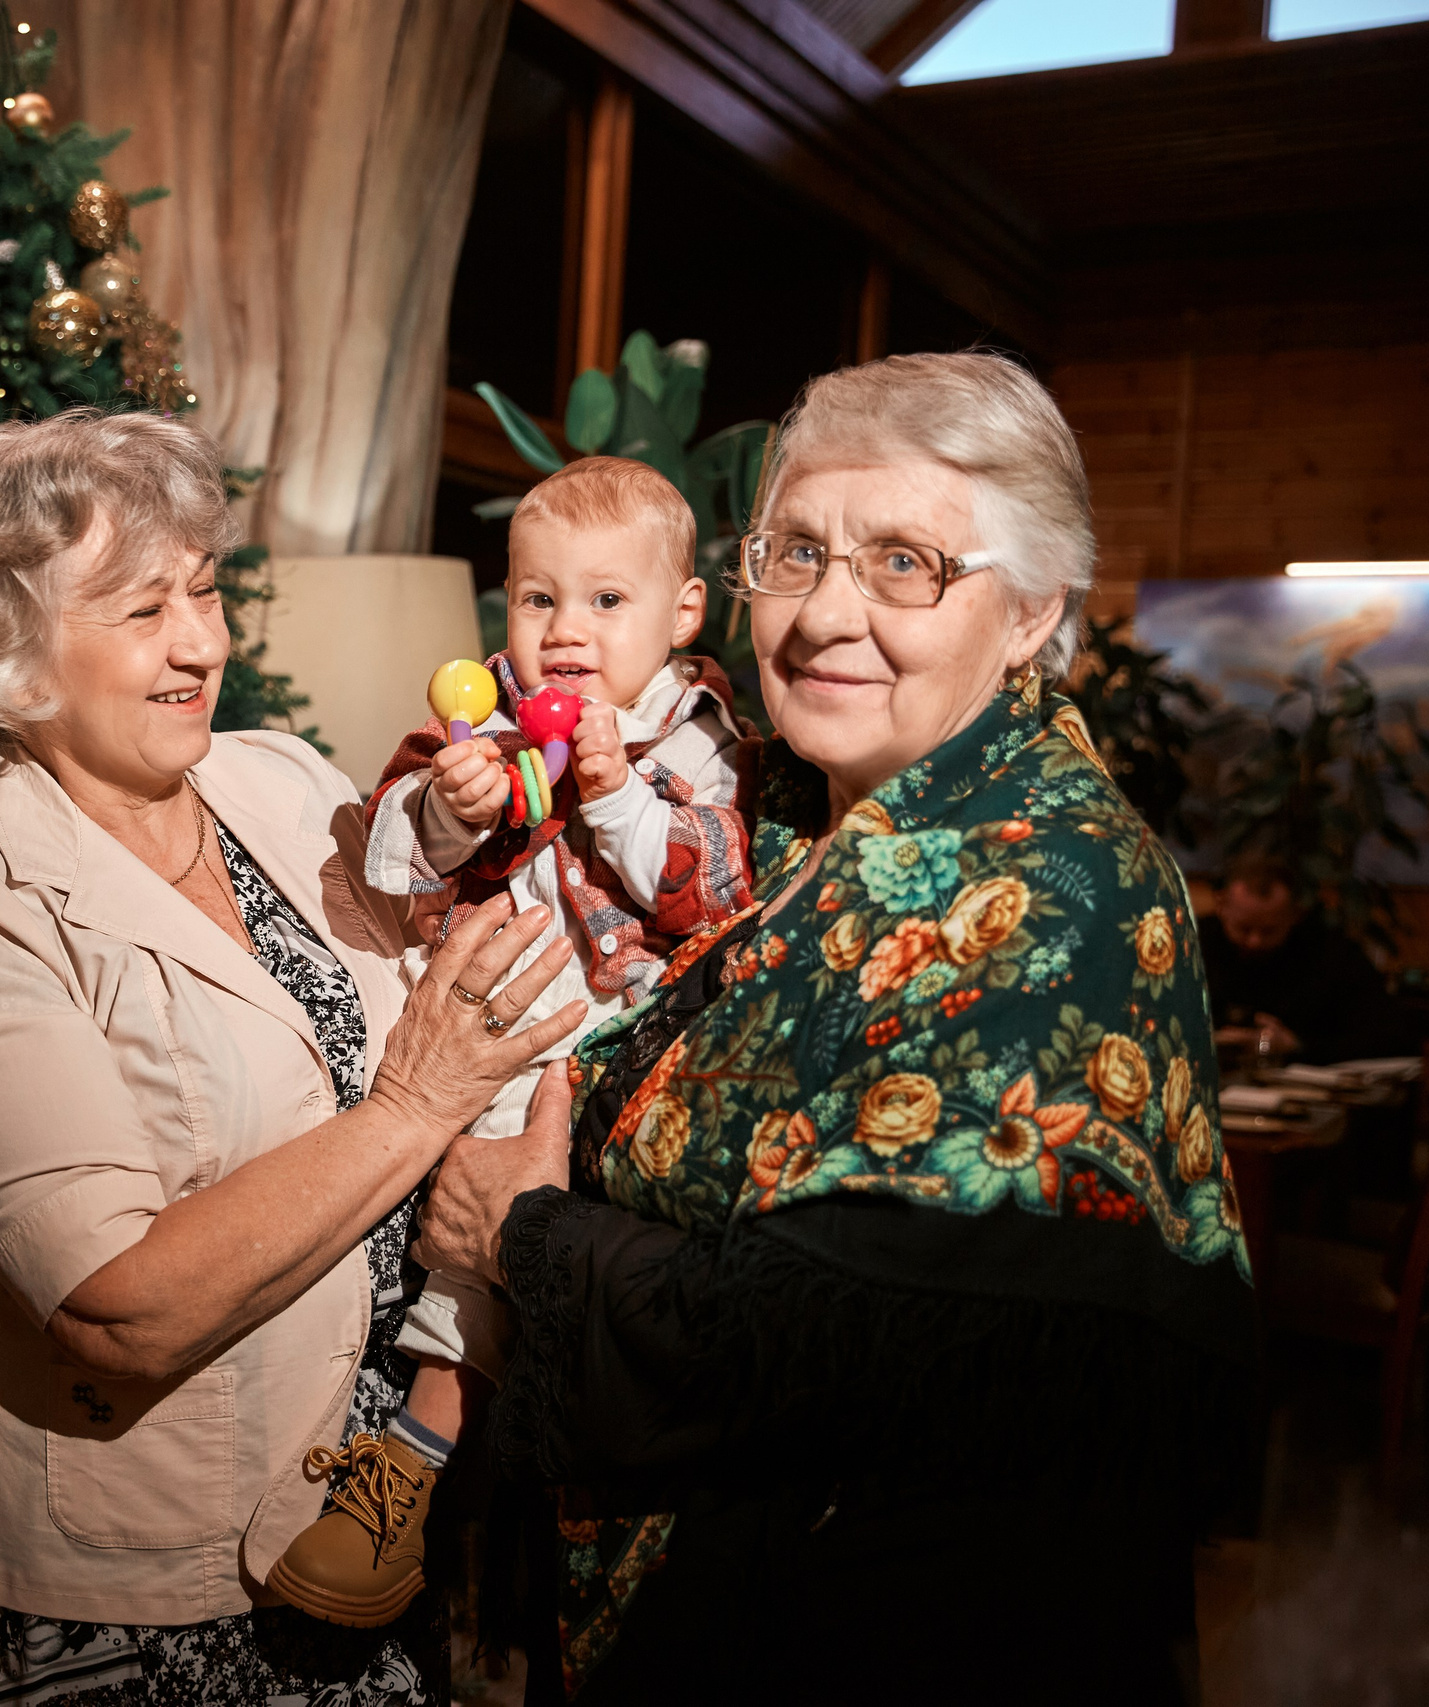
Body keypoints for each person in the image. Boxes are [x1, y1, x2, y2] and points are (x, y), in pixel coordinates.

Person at [412, 352, 1257, 1703]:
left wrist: (515, 1234)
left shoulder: (1045, 880)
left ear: (1034, 609)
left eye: (907, 563)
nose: (821, 617)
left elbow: (853, 1331)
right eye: (796, 551)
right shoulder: (793, 813)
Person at [0, 406, 589, 1703]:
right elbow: (112, 1309)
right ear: (12, 653)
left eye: (203, 589)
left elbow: (454, 953)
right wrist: (419, 1106)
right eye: (143, 611)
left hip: (366, 1519)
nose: (203, 641)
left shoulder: (283, 780)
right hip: (131, 1593)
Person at [269, 455, 755, 1627]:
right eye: (539, 600)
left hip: (631, 1042)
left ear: (681, 612)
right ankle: (408, 1471)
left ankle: (432, 1464)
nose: (565, 632)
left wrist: (612, 795)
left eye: (605, 601)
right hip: (494, 1028)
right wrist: (448, 807)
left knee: (534, 1246)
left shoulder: (695, 737)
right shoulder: (475, 714)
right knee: (449, 1232)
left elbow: (708, 888)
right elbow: (381, 852)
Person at [1201, 851, 1416, 1065]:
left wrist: (1297, 1046)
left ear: (1294, 914)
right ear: (1222, 906)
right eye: (1243, 928)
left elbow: (1392, 1038)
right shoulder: (1191, 944)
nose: (1254, 941)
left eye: (1268, 931)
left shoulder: (1331, 953)